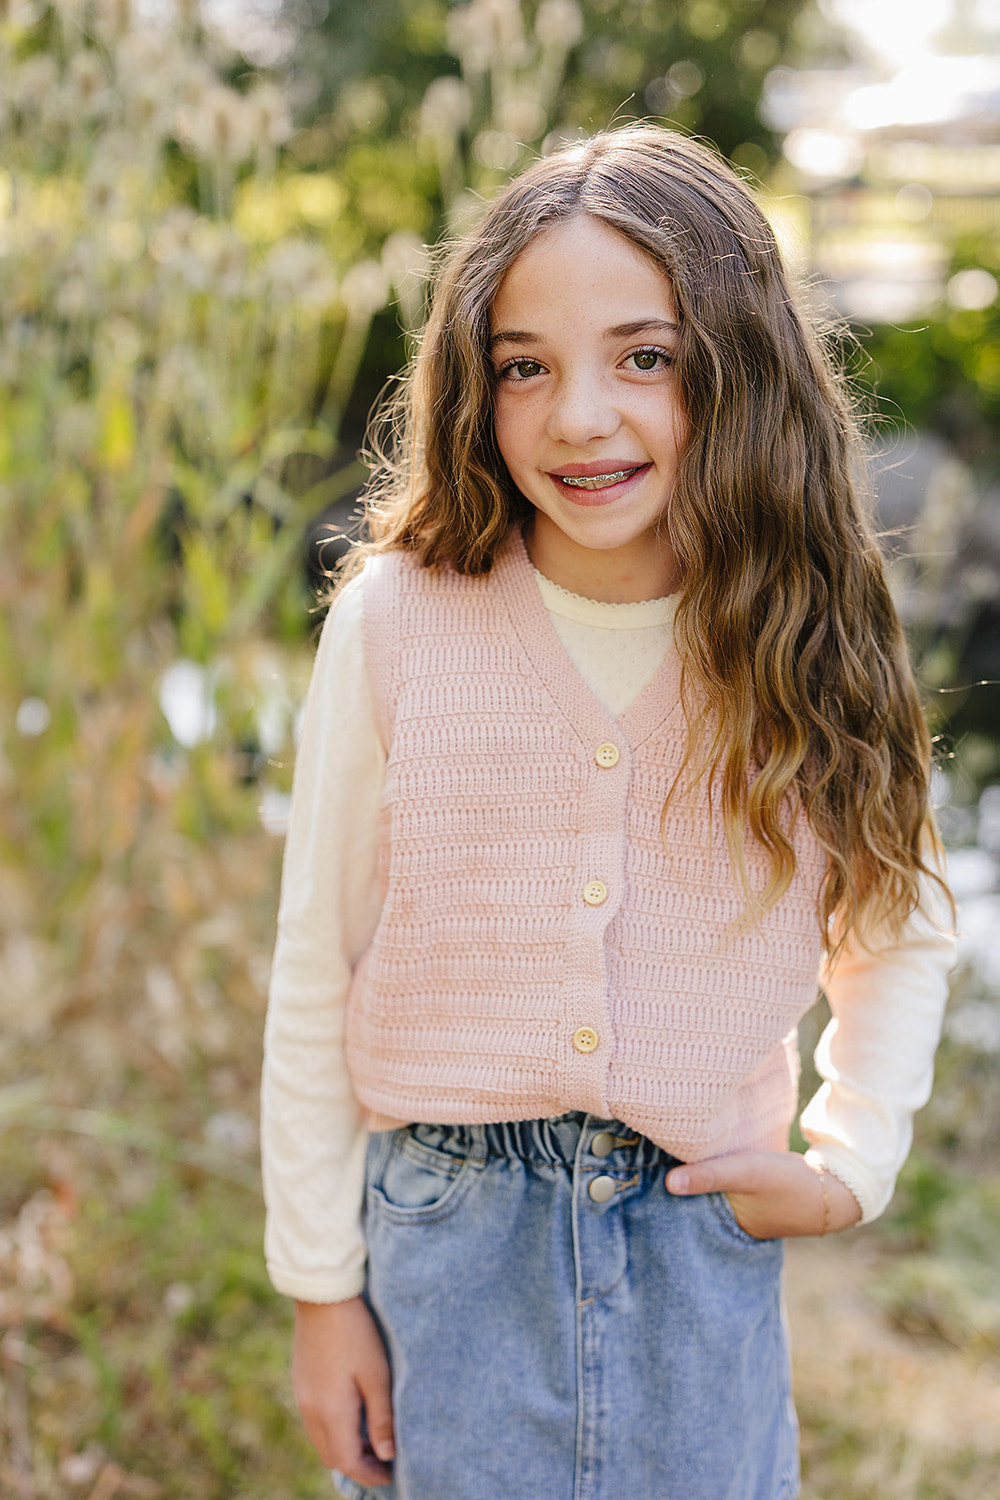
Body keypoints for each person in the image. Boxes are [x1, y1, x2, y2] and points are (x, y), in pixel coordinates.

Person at [261, 124, 955, 1500]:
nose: (580, 415)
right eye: (528, 367)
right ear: (478, 386)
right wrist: (319, 1291)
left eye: (647, 357)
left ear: (741, 370)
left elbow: (899, 923)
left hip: (699, 1251)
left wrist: (852, 1157)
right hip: (448, 1249)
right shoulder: (399, 622)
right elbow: (314, 968)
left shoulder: (805, 632)